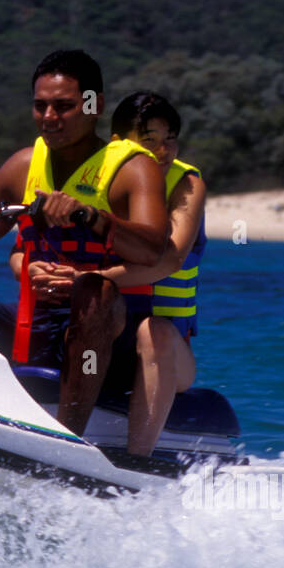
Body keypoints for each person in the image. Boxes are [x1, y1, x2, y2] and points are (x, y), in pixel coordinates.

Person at [0, 50, 168, 437]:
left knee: (93, 291)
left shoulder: (133, 169)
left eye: (64, 106)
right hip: (35, 327)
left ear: (95, 104)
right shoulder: (22, 165)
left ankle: (64, 444)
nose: (49, 118)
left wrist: (91, 216)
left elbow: (153, 249)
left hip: (110, 336)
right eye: (40, 106)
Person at [102, 92, 207, 457]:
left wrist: (91, 279)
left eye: (170, 139)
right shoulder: (96, 178)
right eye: (149, 140)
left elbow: (170, 261)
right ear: (118, 143)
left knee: (154, 330)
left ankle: (138, 461)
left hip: (167, 352)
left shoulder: (186, 185)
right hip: (107, 331)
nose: (163, 151)